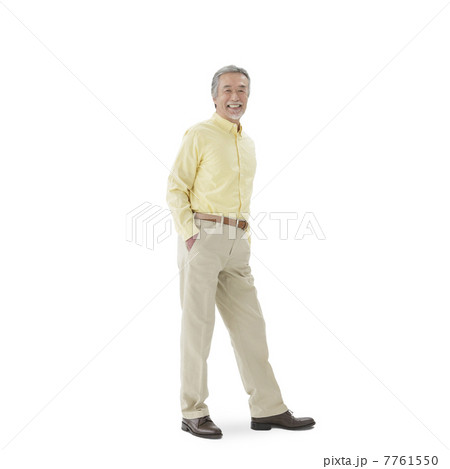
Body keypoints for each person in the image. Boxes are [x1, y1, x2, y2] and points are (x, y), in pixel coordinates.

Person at [166, 65, 315, 439]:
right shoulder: (199, 134)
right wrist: (190, 234)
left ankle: (268, 408)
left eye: (243, 89)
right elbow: (175, 188)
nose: (236, 96)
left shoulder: (247, 143)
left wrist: (242, 237)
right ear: (214, 96)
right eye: (229, 89)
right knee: (198, 328)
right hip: (202, 237)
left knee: (251, 327)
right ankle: (193, 411)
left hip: (238, 242)